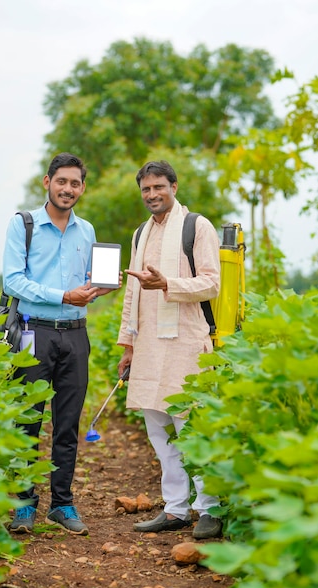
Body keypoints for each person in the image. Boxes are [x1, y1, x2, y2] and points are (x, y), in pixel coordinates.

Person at [2, 152, 120, 535]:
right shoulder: (24, 224)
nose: (67, 189)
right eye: (61, 181)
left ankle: (62, 504)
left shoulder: (86, 231)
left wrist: (96, 288)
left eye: (75, 183)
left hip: (75, 335)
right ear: (47, 182)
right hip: (33, 332)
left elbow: (84, 282)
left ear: (82, 188)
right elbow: (12, 281)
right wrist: (63, 296)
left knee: (67, 424)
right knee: (27, 421)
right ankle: (24, 505)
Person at [117, 160, 222, 539]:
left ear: (174, 187)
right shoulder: (139, 234)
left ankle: (209, 508)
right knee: (158, 431)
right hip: (147, 346)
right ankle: (176, 509)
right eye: (145, 189)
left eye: (159, 187)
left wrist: (166, 284)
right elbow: (132, 293)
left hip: (187, 343)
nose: (152, 194)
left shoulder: (197, 226)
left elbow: (211, 283)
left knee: (191, 428)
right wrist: (127, 344)